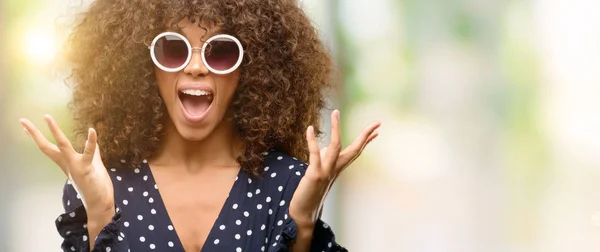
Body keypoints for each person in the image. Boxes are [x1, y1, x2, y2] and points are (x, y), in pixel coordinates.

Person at [19, 0, 380, 251]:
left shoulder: (289, 184)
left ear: (252, 69)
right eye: (173, 49)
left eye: (220, 51)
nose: (195, 67)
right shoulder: (102, 182)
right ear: (145, 67)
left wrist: (301, 224)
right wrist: (99, 213)